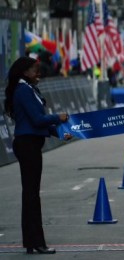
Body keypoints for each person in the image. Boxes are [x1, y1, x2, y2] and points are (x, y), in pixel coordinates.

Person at [3, 56, 71, 254]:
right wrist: (58, 118)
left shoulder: (27, 89)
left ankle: (32, 242)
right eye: (34, 70)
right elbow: (38, 119)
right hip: (28, 144)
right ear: (25, 72)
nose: (38, 73)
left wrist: (59, 133)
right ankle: (37, 242)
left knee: (30, 194)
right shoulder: (24, 90)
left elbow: (38, 123)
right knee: (32, 195)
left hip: (29, 142)